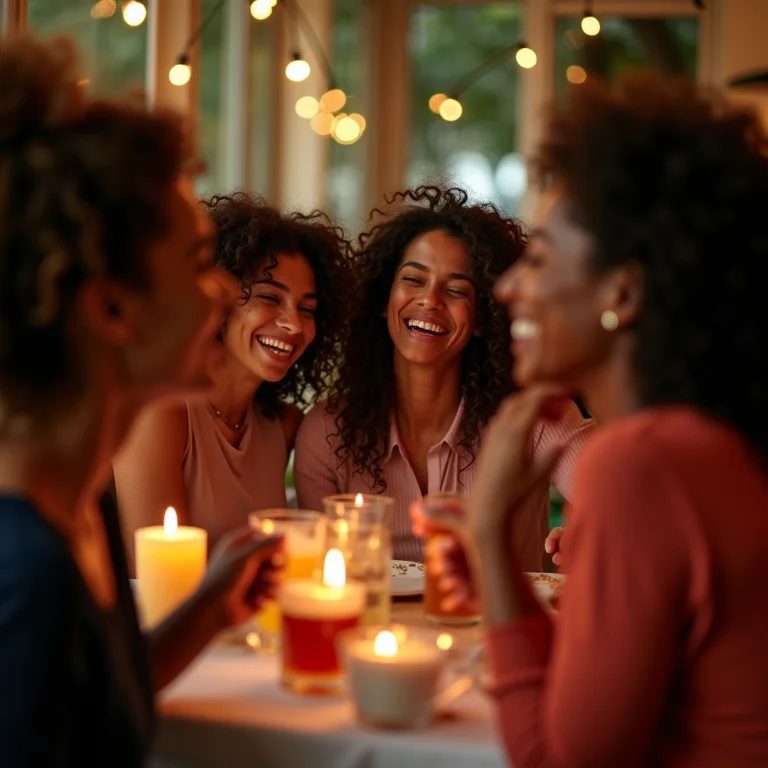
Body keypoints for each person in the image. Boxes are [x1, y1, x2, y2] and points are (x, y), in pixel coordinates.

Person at [417, 73, 768, 766]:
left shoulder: (640, 463)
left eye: (541, 259)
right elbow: (602, 722)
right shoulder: (710, 440)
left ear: (624, 290)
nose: (510, 286)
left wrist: (490, 531)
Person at [0, 35, 282, 765]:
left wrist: (210, 609)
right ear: (112, 310)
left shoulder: (81, 506)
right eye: (198, 263)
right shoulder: (24, 572)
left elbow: (96, 713)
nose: (223, 291)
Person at [295, 186, 593, 568]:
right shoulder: (325, 433)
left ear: (484, 319)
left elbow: (626, 503)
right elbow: (317, 574)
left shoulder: (533, 418)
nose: (430, 301)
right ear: (384, 301)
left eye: (456, 290)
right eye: (414, 280)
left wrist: (590, 531)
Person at [114, 193, 350, 562]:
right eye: (270, 298)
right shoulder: (159, 413)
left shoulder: (284, 424)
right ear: (218, 301)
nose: (293, 324)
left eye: (307, 309)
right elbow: (149, 576)